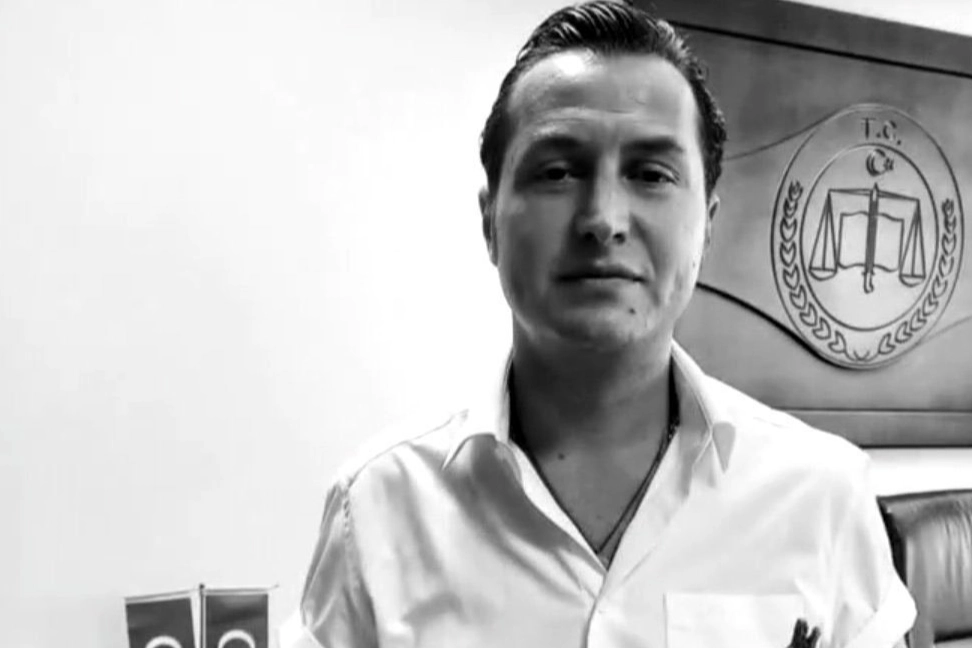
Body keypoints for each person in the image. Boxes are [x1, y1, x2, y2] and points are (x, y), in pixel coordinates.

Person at [282, 1, 916, 646]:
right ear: (489, 222)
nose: (603, 220)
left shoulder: (822, 497)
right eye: (557, 172)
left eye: (651, 174)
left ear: (707, 224)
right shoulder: (379, 508)